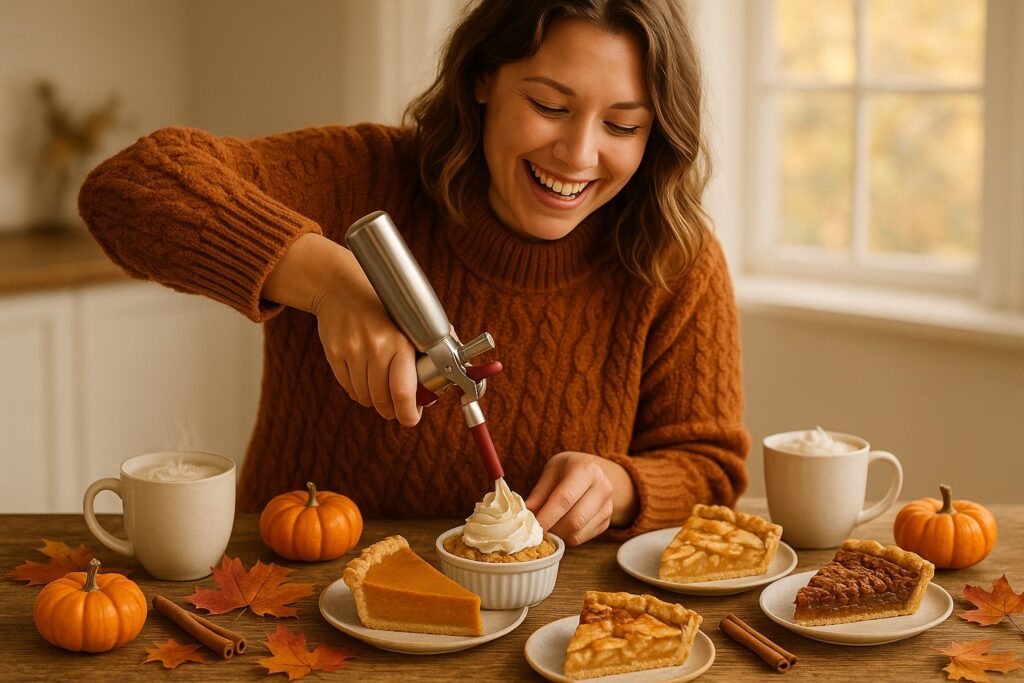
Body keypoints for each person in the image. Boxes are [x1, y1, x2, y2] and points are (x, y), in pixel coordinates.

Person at [78, 0, 749, 547]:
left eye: (623, 126)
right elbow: (127, 187)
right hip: (297, 594)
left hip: (541, 632)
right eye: (548, 106)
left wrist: (622, 484)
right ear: (484, 78)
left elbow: (711, 467)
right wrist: (328, 281)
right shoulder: (362, 176)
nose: (578, 154)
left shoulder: (671, 256)